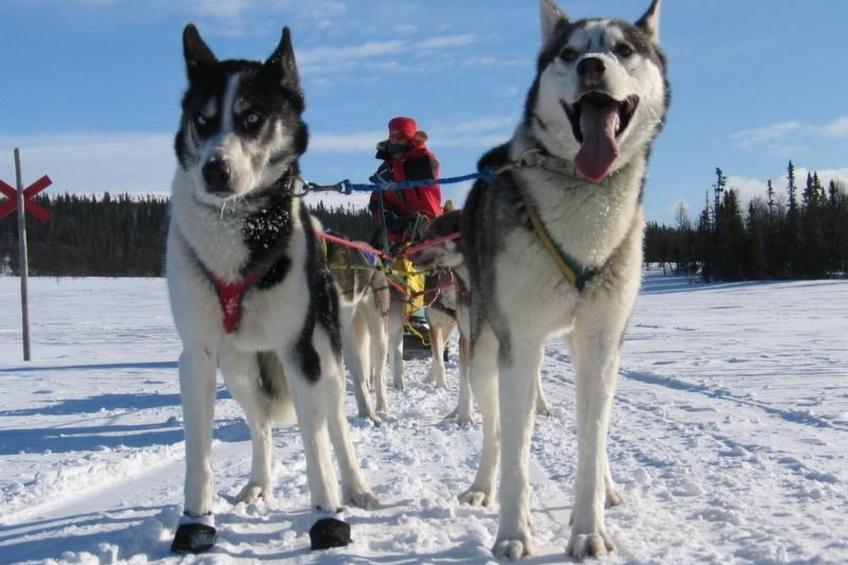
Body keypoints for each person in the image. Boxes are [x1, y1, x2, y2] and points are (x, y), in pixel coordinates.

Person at [369, 117, 442, 250]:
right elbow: (377, 201)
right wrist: (386, 215)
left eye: (400, 137)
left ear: (410, 139)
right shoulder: (386, 168)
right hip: (397, 236)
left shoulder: (423, 160)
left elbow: (430, 170)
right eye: (392, 137)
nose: (395, 141)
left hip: (430, 230)